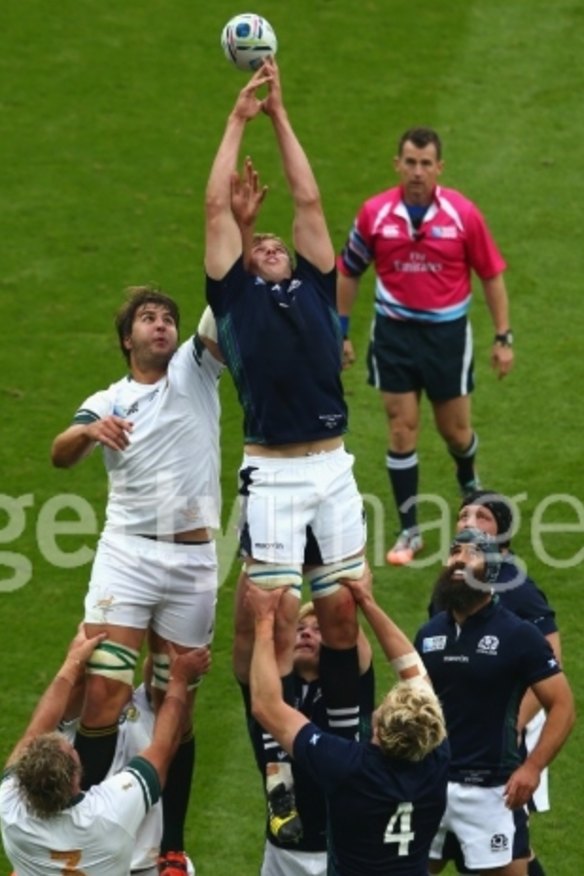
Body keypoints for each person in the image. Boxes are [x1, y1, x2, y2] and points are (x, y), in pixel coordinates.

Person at [205, 58, 367, 835]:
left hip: (333, 466)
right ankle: (278, 767)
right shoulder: (231, 295)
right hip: (270, 468)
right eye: (257, 240)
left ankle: (345, 745)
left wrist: (280, 114)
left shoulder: (313, 279)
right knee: (269, 609)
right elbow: (214, 211)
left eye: (275, 242)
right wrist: (237, 119)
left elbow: (307, 196)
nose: (271, 242)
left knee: (342, 610)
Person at [50, 287, 223, 876]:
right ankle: (80, 826)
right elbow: (59, 451)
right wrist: (89, 432)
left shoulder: (198, 371)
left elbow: (222, 298)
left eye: (168, 319)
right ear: (128, 338)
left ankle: (171, 845)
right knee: (105, 690)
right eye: (148, 319)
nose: (161, 326)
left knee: (175, 695)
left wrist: (241, 233)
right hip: (127, 555)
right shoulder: (108, 399)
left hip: (193, 562)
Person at [337, 126, 514, 566]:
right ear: (398, 164)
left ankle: (468, 476)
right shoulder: (374, 214)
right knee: (401, 428)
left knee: (455, 431)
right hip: (394, 336)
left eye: (425, 164)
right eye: (410, 163)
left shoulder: (463, 215)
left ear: (439, 168)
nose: (417, 172)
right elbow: (349, 270)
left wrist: (502, 336)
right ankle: (409, 531)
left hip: (446, 338)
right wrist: (339, 331)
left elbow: (490, 273)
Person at [246, 565, 450, 876]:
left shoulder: (350, 768)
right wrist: (368, 603)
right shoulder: (434, 758)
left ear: (378, 730)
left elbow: (265, 706)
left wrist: (263, 622)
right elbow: (415, 673)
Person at [415, 527, 575, 875]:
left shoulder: (519, 635)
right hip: (431, 784)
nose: (458, 558)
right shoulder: (429, 635)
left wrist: (532, 767)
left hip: (492, 793)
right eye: (454, 551)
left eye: (471, 553)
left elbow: (563, 706)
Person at [0, 627, 210, 875]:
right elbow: (163, 749)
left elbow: (33, 733)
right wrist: (179, 680)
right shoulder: (107, 814)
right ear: (77, 774)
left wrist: (73, 661)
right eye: (70, 748)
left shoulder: (10, 807)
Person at [451, 490, 561, 876]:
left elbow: (552, 661)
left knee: (506, 843)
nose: (469, 522)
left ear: (503, 535)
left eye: (482, 517)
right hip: (467, 732)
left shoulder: (517, 586)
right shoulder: (454, 584)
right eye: (463, 515)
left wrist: (513, 722)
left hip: (506, 734)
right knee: (491, 846)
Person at [239, 601, 374, 875]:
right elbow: (243, 652)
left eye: (318, 629)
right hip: (283, 848)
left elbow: (350, 637)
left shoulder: (348, 688)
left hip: (340, 848)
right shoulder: (271, 690)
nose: (306, 633)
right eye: (299, 628)